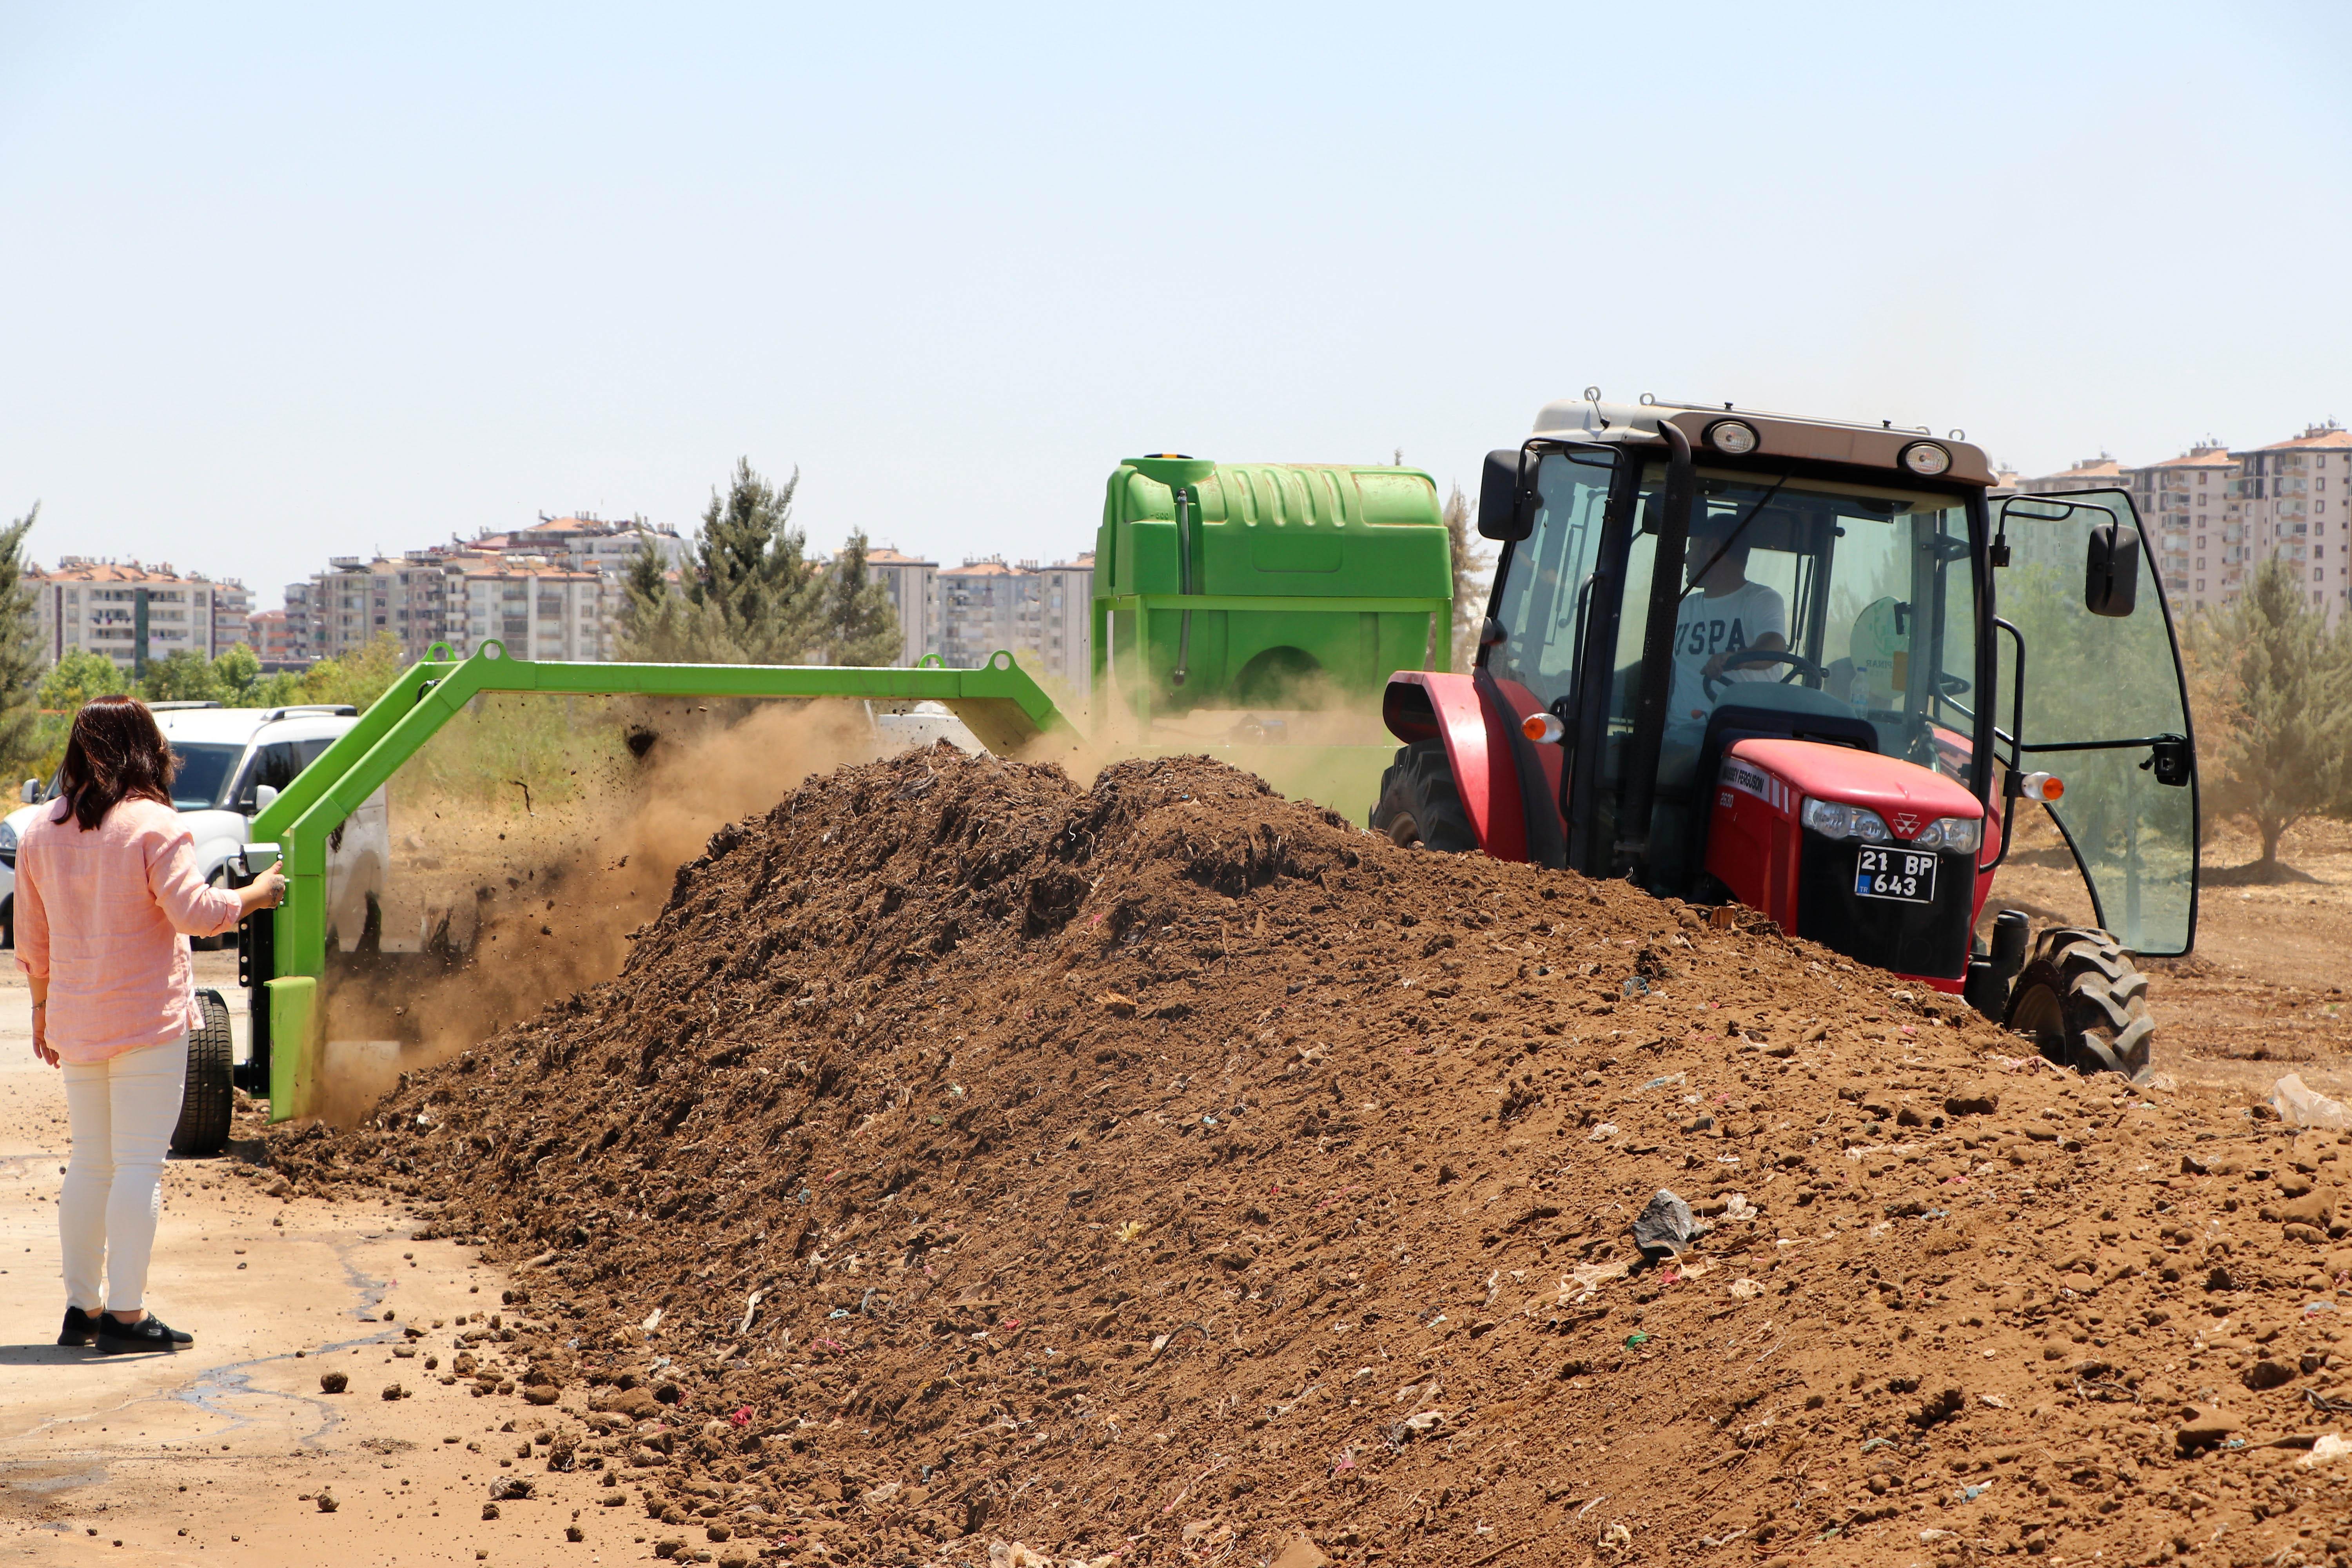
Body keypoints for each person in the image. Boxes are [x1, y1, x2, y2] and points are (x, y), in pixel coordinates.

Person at [19, 695, 286, 1353]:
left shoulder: (39, 831)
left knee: (92, 1161)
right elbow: (195, 913)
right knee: (140, 1164)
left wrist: (42, 1011)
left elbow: (33, 938)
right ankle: (128, 1317)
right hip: (146, 1021)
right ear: (146, 749)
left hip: (76, 1021)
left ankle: (82, 1310)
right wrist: (256, 895)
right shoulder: (153, 825)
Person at [1666, 509, 1788, 736]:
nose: (1686, 557)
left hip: (1738, 735)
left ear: (1712, 548)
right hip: (1680, 733)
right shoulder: (1683, 607)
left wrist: (1735, 658)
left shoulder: (1760, 600)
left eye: (1691, 548)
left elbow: (1775, 647)